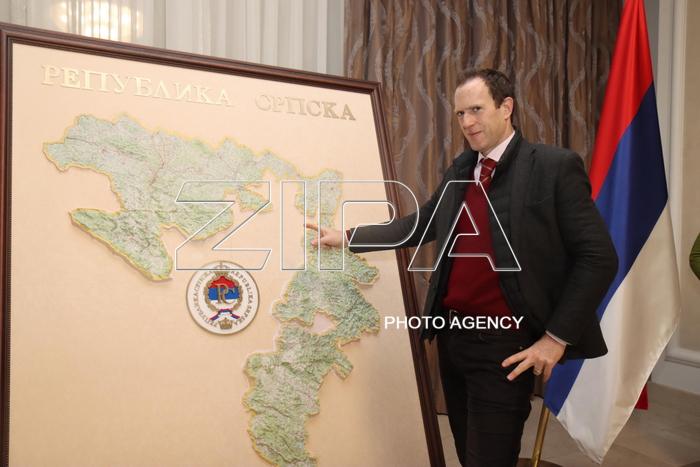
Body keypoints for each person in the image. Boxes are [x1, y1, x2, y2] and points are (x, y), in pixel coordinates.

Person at [307, 68, 618, 467]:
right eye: (460, 114)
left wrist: (555, 338)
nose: (467, 122)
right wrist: (347, 236)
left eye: (476, 109)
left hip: (506, 345)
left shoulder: (553, 167)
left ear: (506, 107)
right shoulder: (462, 169)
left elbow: (598, 257)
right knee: (467, 453)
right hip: (453, 338)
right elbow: (420, 224)